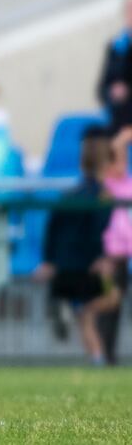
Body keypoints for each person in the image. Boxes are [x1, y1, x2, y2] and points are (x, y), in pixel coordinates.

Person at [34, 127, 119, 365]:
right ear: (108, 164)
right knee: (112, 298)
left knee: (87, 315)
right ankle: (83, 320)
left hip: (63, 268)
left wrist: (49, 260)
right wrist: (103, 256)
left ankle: (97, 358)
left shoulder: (68, 196)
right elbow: (100, 230)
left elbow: (52, 230)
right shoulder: (104, 198)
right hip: (91, 268)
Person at [98, 126, 132, 364]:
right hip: (112, 256)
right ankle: (105, 354)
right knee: (111, 304)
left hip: (127, 255)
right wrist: (121, 140)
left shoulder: (128, 183)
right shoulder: (107, 186)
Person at [97, 0, 132, 132]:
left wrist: (127, 91)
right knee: (67, 126)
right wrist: (112, 92)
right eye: (128, 8)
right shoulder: (116, 47)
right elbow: (100, 89)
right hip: (116, 116)